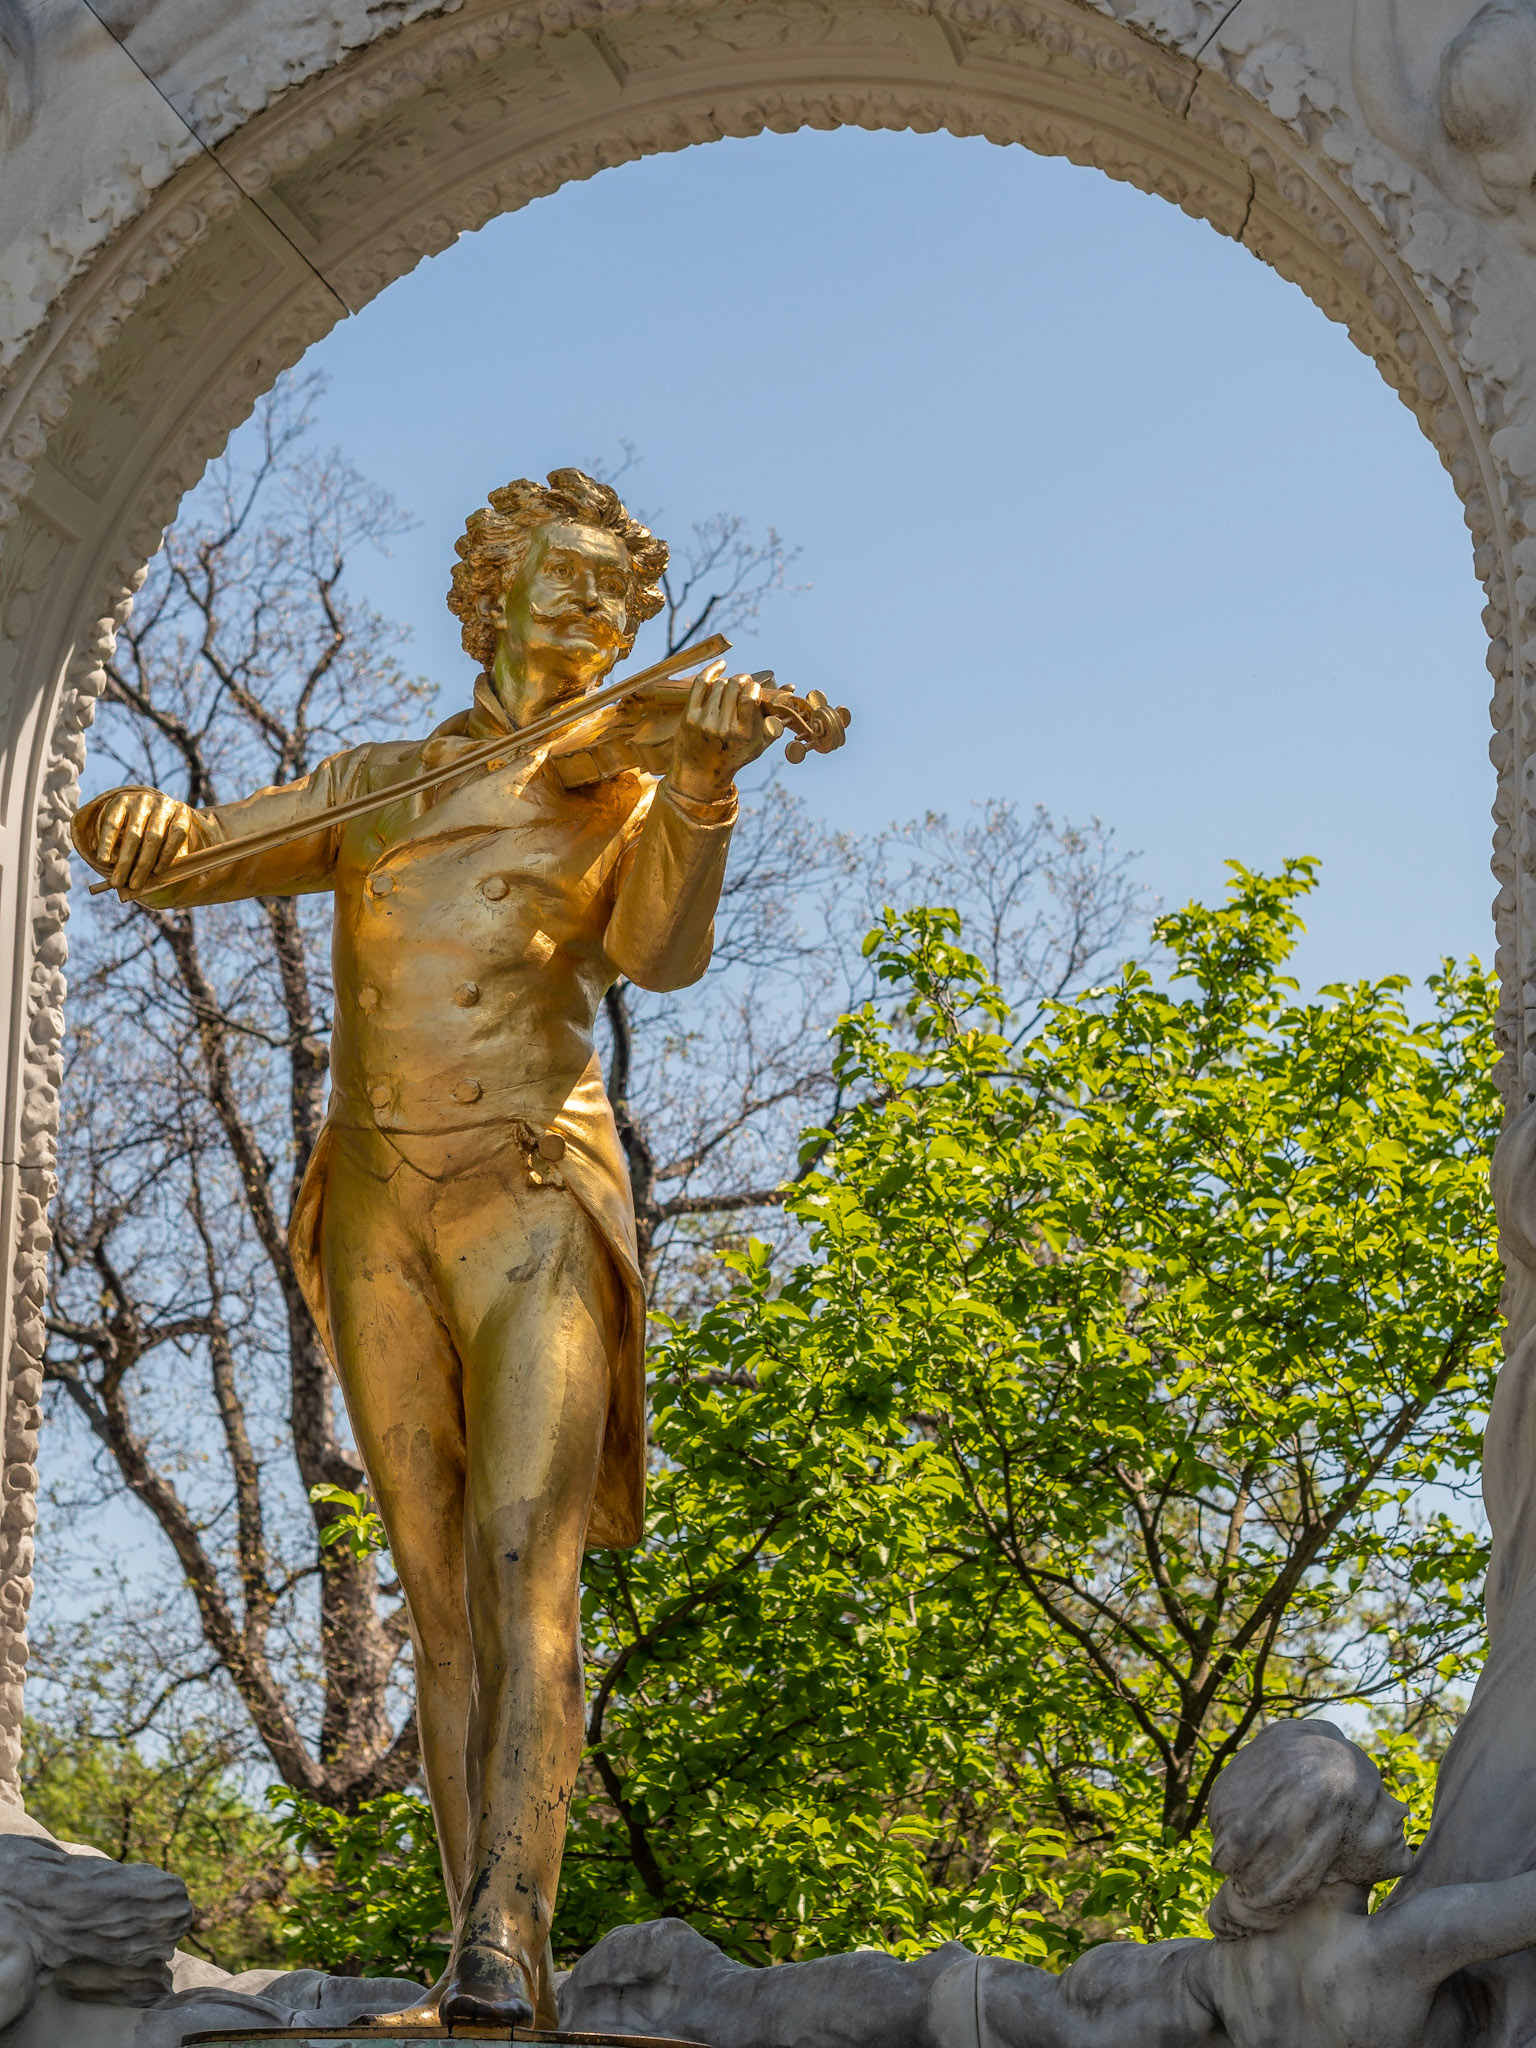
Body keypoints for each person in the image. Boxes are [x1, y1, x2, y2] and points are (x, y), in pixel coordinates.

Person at [70, 468, 774, 2028]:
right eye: (568, 585)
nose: (597, 616)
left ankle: (509, 1934)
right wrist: (124, 815)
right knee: (439, 1589)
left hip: (533, 1181)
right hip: (381, 1190)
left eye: (618, 597)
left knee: (533, 1572)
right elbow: (194, 854)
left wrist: (709, 787)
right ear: (496, 598)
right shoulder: (380, 783)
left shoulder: (629, 786)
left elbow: (661, 953)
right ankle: (474, 1927)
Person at [560, 1720, 1536, 2048]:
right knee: (903, 1997)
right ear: (1316, 1849)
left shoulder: (1280, 1962)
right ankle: (702, 1987)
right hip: (1059, 2013)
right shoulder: (1409, 1942)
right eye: (1371, 1803)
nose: (1399, 1808)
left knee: (905, 1997)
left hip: (1067, 2008)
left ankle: (706, 1989)